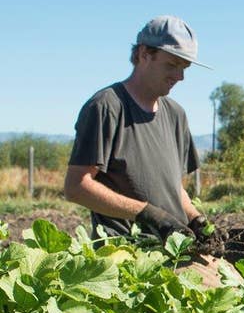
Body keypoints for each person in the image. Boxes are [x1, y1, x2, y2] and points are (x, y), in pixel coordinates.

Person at [64, 15, 215, 244]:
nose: (180, 76)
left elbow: (174, 189)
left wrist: (195, 219)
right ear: (144, 54)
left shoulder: (176, 115)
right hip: (125, 253)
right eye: (172, 65)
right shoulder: (107, 107)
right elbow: (76, 187)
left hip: (174, 249)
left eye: (185, 67)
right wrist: (147, 214)